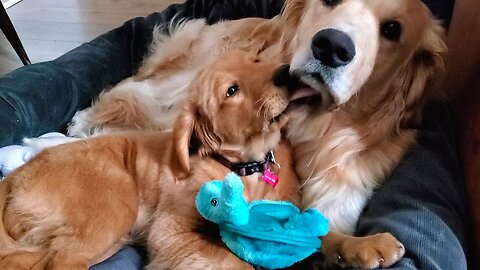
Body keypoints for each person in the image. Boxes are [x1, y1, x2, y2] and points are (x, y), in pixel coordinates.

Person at [0, 0, 468, 269]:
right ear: (299, 18)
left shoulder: (383, 135)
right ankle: (83, 127)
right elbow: (181, 171)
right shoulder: (256, 76)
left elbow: (312, 238)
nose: (336, 40)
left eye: (389, 30)